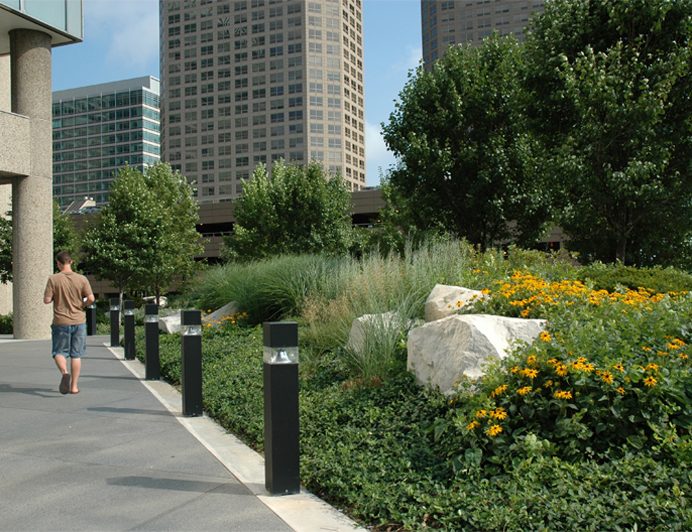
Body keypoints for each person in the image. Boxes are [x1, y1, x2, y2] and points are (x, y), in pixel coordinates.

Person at [44, 251, 94, 395]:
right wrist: (81, 305)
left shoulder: (54, 279)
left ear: (58, 263)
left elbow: (47, 300)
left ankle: (65, 372)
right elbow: (90, 298)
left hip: (60, 321)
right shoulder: (82, 279)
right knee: (76, 354)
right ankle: (74, 387)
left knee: (59, 352)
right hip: (78, 320)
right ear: (71, 262)